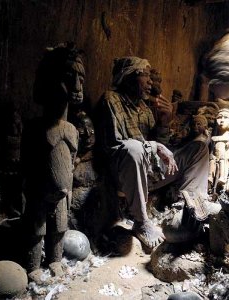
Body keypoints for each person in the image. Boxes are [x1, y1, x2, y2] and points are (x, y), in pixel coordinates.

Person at [95, 56, 210, 249]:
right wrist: (154, 146)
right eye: (145, 76)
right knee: (134, 149)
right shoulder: (111, 99)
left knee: (199, 148)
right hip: (124, 176)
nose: (150, 82)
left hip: (150, 173)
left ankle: (191, 208)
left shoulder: (146, 109)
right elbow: (117, 145)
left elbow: (160, 150)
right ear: (129, 77)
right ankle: (141, 221)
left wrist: (164, 122)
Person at [21, 43, 84, 281]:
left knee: (58, 227)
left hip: (62, 194)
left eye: (81, 79)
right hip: (38, 191)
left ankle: (55, 260)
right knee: (37, 229)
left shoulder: (72, 129)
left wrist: (66, 186)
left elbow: (71, 162)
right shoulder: (35, 128)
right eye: (70, 77)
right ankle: (33, 265)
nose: (77, 86)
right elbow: (27, 162)